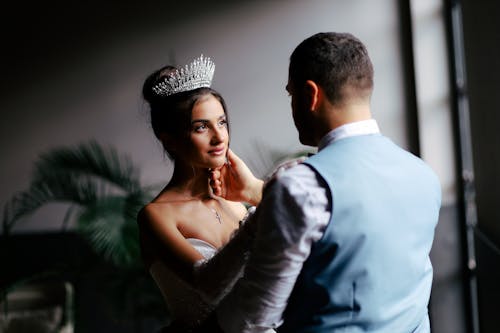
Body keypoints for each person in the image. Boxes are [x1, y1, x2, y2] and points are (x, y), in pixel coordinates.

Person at [211, 32, 442, 332]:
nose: (293, 107)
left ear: (311, 95)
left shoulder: (300, 186)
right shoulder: (424, 174)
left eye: (291, 95)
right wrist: (258, 191)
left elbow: (252, 319)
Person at [137, 55, 264, 332]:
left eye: (222, 122)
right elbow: (211, 285)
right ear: (168, 139)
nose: (219, 137)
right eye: (201, 127)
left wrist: (255, 192)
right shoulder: (155, 216)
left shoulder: (238, 205)